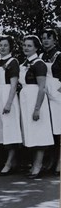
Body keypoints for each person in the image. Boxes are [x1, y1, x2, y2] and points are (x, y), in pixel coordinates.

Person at [19, 35, 54, 178]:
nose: (26, 48)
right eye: (24, 45)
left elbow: (42, 88)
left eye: (29, 46)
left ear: (36, 48)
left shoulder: (39, 64)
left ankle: (38, 166)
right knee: (31, 133)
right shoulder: (25, 63)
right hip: (26, 99)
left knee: (39, 133)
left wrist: (37, 108)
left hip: (35, 99)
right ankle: (34, 164)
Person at [0, 35, 22, 175]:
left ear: (10, 47)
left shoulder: (13, 61)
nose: (3, 48)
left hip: (8, 96)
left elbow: (14, 84)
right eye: (1, 45)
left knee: (10, 130)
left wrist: (9, 103)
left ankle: (9, 163)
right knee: (1, 130)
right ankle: (12, 161)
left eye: (5, 45)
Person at [41, 28, 61, 175]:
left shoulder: (59, 55)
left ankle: (59, 161)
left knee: (59, 129)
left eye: (48, 38)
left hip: (57, 95)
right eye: (43, 38)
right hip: (45, 94)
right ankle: (51, 160)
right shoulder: (41, 55)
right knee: (49, 129)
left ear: (55, 39)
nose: (45, 41)